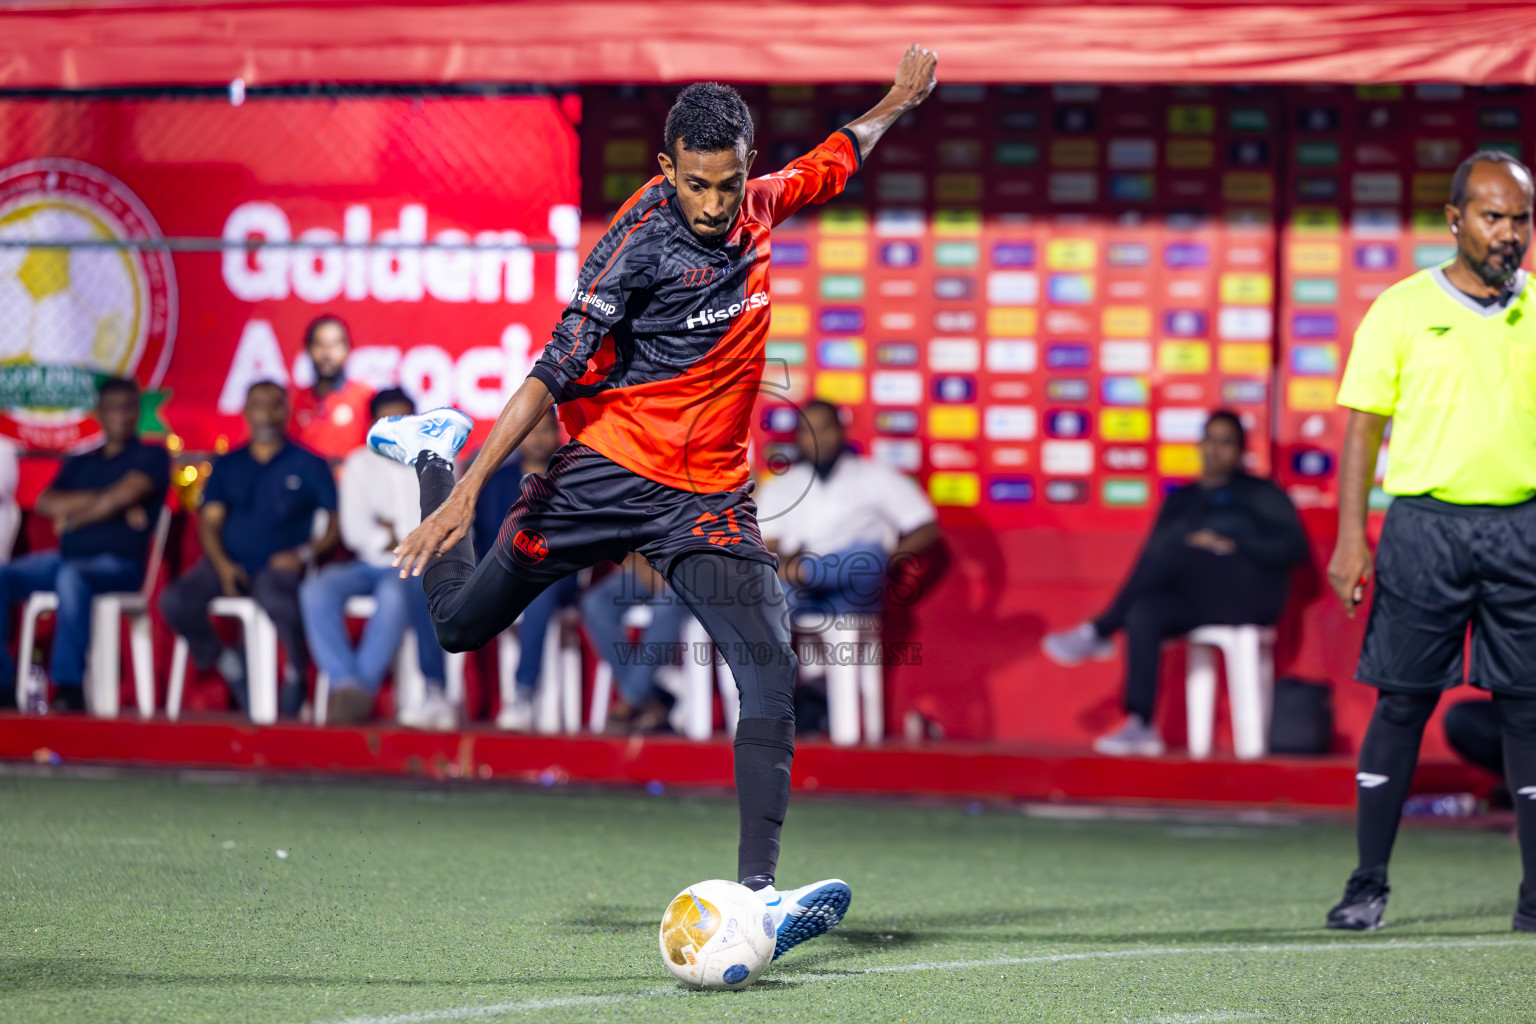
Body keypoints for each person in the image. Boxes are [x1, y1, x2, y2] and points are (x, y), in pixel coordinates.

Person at [369, 47, 938, 960]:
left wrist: (895, 103)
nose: (716, 206)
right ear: (667, 170)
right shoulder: (635, 248)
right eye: (699, 186)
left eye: (730, 183)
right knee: (460, 628)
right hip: (604, 478)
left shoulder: (757, 204)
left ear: (746, 166)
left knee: (767, 668)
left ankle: (758, 902)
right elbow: (551, 374)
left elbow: (835, 156)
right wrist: (462, 490)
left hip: (708, 501)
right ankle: (432, 452)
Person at [1324, 150, 1536, 933]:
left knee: (1528, 712)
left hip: (1523, 527)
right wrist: (1354, 540)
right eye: (1492, 216)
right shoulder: (1402, 309)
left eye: (1520, 218)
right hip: (1424, 528)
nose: (1509, 233)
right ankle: (1366, 885)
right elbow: (1362, 431)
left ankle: (1535, 900)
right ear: (1454, 221)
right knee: (1404, 703)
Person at [1043, 411, 1308, 757]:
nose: (1215, 450)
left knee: (1175, 542)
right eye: (1210, 440)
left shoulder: (1260, 494)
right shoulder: (1181, 500)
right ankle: (1140, 723)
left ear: (1240, 450)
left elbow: (1293, 548)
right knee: (1144, 610)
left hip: (1248, 597)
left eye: (1225, 442)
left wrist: (1234, 541)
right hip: (1198, 597)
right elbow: (1153, 562)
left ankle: (1102, 628)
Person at [161, 382, 340, 716]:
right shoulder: (228, 465)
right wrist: (224, 565)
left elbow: (335, 524)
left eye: (274, 405)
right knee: (175, 600)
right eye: (258, 405)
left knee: (278, 597)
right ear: (245, 412)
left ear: (285, 411)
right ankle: (226, 662)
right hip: (226, 563)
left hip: (278, 567)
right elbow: (209, 523)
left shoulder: (309, 463)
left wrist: (304, 555)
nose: (266, 414)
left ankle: (297, 675)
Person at [0, 378, 169, 711]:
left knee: (71, 578)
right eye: (114, 408)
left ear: (138, 411)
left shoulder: (151, 455)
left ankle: (68, 688)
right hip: (64, 558)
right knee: (3, 578)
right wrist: (108, 503)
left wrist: (75, 517)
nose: (122, 415)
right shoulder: (82, 460)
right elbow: (47, 501)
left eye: (129, 407)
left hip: (119, 566)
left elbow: (125, 493)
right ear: (98, 414)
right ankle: (3, 686)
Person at [300, 389, 452, 728]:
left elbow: (439, 528)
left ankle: (356, 692)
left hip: (412, 568)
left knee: (395, 592)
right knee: (316, 590)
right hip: (366, 564)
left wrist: (392, 531)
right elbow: (355, 532)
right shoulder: (357, 463)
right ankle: (347, 684)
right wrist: (402, 532)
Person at [756, 399, 940, 630]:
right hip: (798, 591)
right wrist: (786, 565)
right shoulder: (781, 483)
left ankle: (806, 572)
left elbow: (926, 527)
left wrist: (890, 560)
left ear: (841, 431)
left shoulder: (874, 474)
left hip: (854, 590)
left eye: (824, 429)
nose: (817, 439)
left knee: (868, 556)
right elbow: (767, 543)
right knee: (769, 591)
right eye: (807, 431)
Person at [475, 409, 584, 732]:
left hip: (555, 578)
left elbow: (582, 544)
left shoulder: (573, 480)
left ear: (557, 435)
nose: (538, 439)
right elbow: (485, 538)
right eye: (531, 432)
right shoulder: (498, 481)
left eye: (546, 431)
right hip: (503, 574)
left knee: (540, 586)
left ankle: (522, 694)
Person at [581, 552, 688, 733]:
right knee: (596, 604)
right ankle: (652, 700)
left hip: (694, 569)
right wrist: (643, 562)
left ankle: (631, 701)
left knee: (666, 605)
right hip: (649, 564)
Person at [290, 315, 373, 461]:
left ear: (348, 349)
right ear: (308, 349)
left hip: (353, 482)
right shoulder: (293, 401)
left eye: (335, 344)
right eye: (319, 344)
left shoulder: (366, 399)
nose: (327, 353)